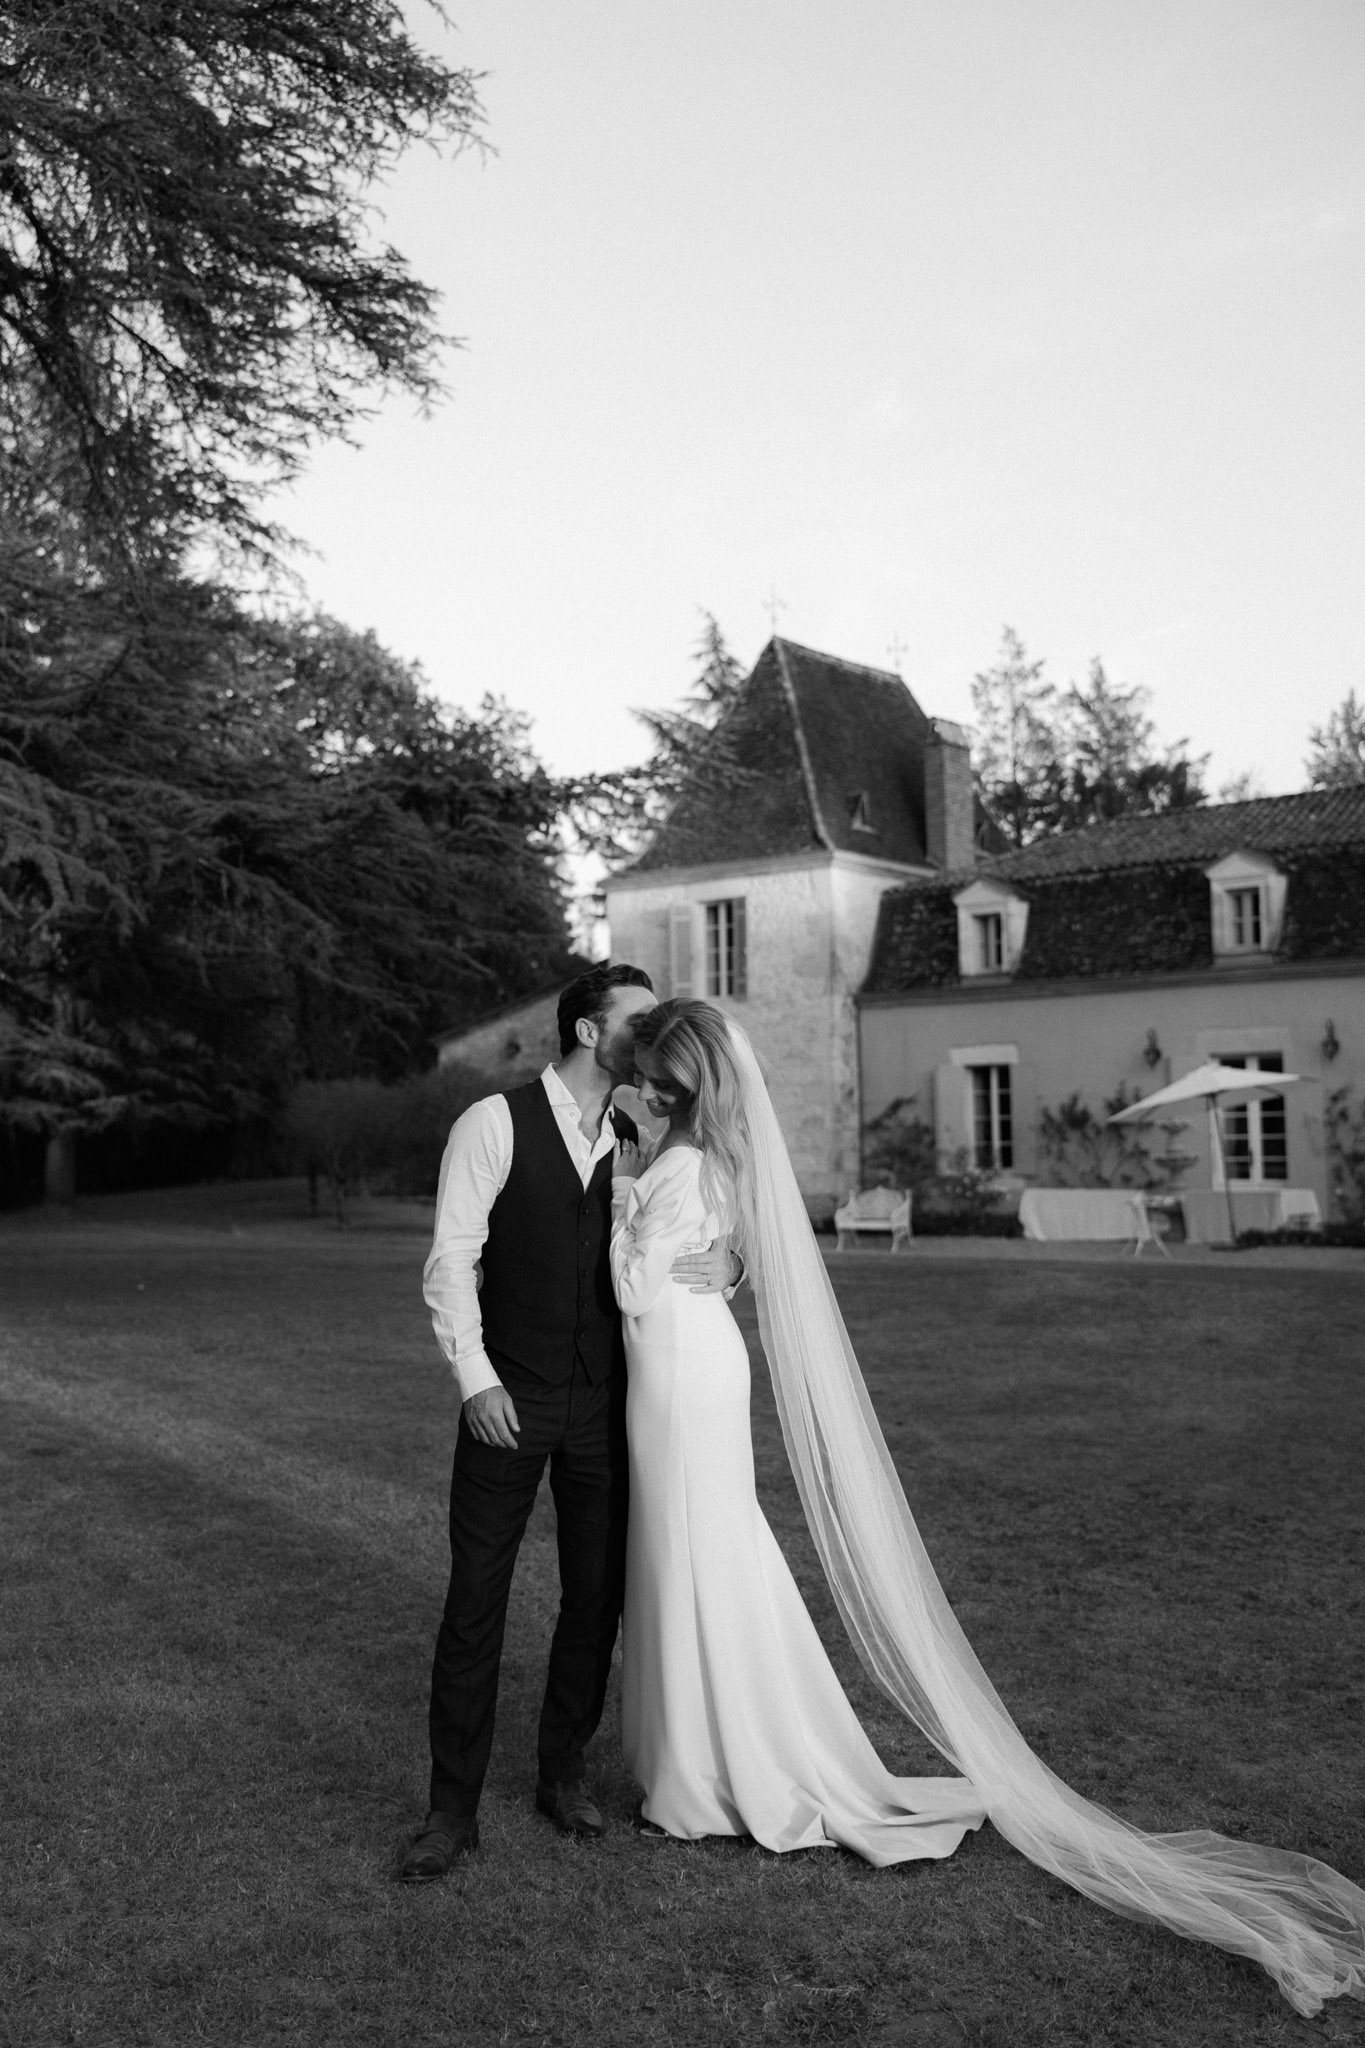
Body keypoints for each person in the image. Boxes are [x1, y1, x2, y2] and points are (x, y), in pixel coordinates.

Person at [609, 998, 1365, 2017]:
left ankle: (711, 1764)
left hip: (679, 1371)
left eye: (662, 1079)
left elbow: (636, 1286)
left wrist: (621, 1197)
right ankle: (711, 1751)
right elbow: (708, 1248)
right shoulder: (706, 1152)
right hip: (688, 1366)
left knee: (696, 1554)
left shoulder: (681, 1160)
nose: (649, 1089)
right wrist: (694, 1230)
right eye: (647, 1075)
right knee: (706, 1555)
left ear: (693, 1082)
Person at [400, 963, 740, 1883]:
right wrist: (475, 1380)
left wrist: (730, 1266)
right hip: (507, 1399)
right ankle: (450, 1812)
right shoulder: (491, 1124)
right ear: (589, 1032)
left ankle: (563, 1775)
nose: (653, 1032)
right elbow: (451, 1260)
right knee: (476, 1600)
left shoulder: (640, 1131)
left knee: (595, 1598)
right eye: (638, 1020)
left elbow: (686, 1230)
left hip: (606, 1403)